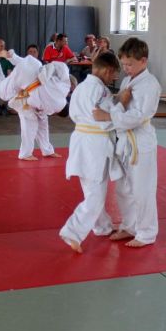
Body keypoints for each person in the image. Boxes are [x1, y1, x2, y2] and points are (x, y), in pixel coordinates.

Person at [93, 37, 162, 248]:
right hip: (124, 142)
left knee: (142, 190)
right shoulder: (127, 81)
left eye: (129, 64)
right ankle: (130, 226)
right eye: (123, 64)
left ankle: (147, 233)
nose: (126, 69)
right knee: (123, 189)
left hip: (140, 142)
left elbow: (139, 116)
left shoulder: (150, 85)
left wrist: (109, 116)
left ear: (144, 61)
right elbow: (122, 105)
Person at [58, 53, 123, 253]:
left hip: (80, 139)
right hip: (95, 145)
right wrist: (122, 106)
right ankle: (72, 232)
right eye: (114, 74)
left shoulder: (81, 87)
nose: (114, 79)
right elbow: (105, 118)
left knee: (91, 189)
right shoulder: (100, 90)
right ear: (108, 70)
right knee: (95, 194)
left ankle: (102, 226)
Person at [0, 48, 71, 160]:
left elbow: (62, 67)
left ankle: (12, 57)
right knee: (5, 95)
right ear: (57, 113)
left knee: (40, 119)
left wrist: (45, 73)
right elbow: (31, 101)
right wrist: (19, 100)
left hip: (34, 64)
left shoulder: (65, 88)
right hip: (25, 80)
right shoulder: (50, 108)